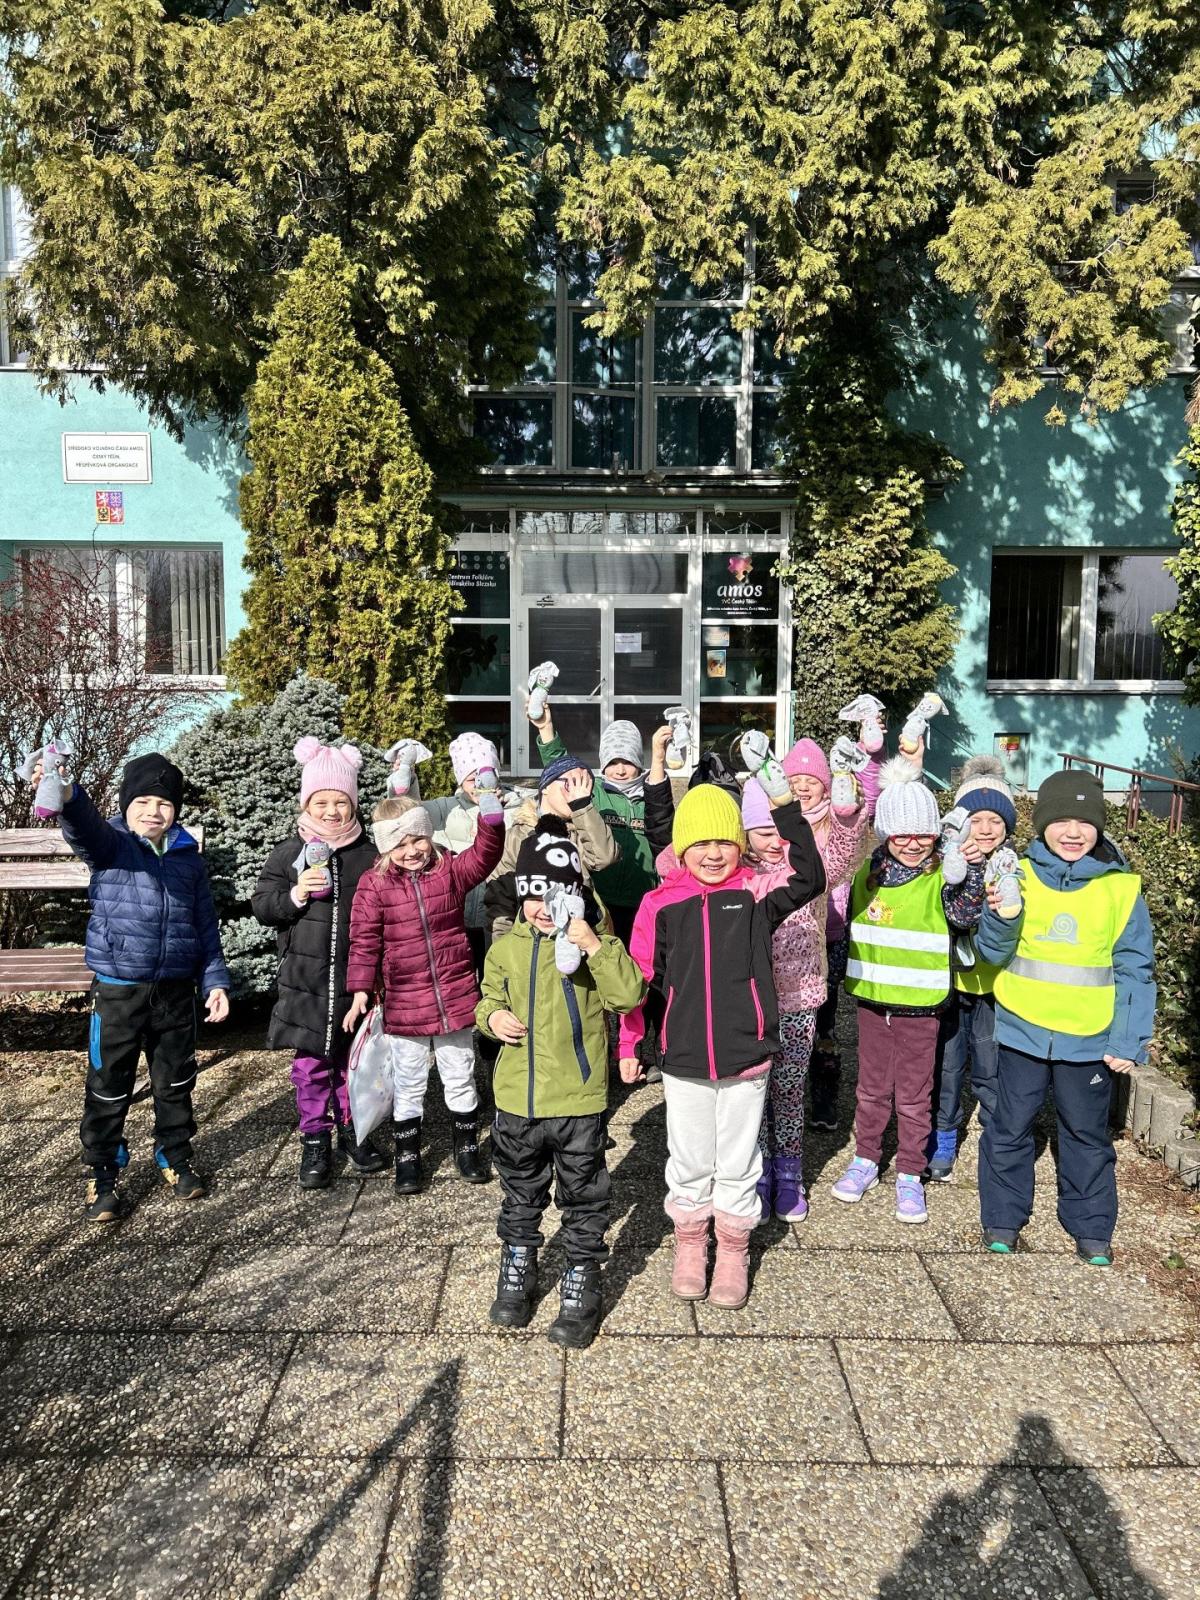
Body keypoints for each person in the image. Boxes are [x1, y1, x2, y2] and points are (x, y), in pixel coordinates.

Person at [620, 778, 826, 1310]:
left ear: (739, 844)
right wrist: (630, 1044)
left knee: (738, 1159)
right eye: (701, 843)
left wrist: (785, 807)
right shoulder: (659, 904)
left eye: (724, 842)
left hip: (745, 1052)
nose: (713, 854)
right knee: (689, 1157)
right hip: (684, 1056)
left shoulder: (755, 894)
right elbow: (640, 980)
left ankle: (733, 1249)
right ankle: (691, 1243)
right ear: (682, 848)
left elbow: (810, 877)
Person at [32, 751, 230, 1221]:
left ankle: (175, 1156)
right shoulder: (112, 845)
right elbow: (83, 828)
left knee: (176, 1080)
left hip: (176, 991)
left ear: (176, 810)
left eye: (164, 804)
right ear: (126, 806)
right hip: (119, 991)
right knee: (108, 1084)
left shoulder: (187, 858)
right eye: (142, 802)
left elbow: (205, 925)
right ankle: (102, 1172)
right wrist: (68, 795)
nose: (153, 812)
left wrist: (215, 981)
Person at [976, 770, 1155, 1266]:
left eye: (1084, 822)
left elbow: (1136, 968)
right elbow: (992, 952)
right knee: (1009, 1127)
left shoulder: (1121, 890)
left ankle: (1091, 1226)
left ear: (1099, 827)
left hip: (1089, 1040)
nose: (1073, 832)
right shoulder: (1017, 875)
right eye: (1061, 820)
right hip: (1021, 1030)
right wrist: (1002, 917)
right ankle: (1003, 1219)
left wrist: (1128, 1038)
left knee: (1086, 1134)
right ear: (1042, 824)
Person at [478, 819, 645, 1348]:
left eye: (557, 896)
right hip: (518, 1100)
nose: (544, 908)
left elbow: (628, 996)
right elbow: (488, 998)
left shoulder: (595, 945)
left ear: (576, 896)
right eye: (534, 897)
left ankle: (581, 1277)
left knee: (584, 1194)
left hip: (577, 1098)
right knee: (520, 1192)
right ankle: (519, 1263)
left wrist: (593, 943)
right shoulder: (506, 949)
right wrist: (492, 1018)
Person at [832, 757, 985, 1224]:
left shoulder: (943, 876)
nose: (913, 843)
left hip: (921, 1006)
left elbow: (964, 917)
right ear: (885, 834)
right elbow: (849, 929)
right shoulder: (867, 874)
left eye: (924, 834)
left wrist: (971, 873)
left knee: (915, 1096)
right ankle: (865, 1158)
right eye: (901, 835)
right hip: (873, 1002)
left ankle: (910, 1173)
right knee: (871, 1090)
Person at [343, 792, 505, 1193]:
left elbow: (483, 856)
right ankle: (408, 1156)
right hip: (405, 1001)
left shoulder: (449, 871)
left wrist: (491, 821)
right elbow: (364, 940)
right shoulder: (374, 884)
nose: (411, 851)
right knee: (409, 1081)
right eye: (400, 844)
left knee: (459, 1073)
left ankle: (467, 1147)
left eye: (418, 839)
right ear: (385, 847)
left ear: (429, 835)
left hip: (454, 994)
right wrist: (360, 988)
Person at [251, 737, 385, 1190]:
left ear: (354, 805)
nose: (331, 811)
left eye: (341, 802)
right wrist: (295, 894)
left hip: (354, 979)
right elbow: (263, 905)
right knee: (311, 1065)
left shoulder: (369, 855)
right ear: (306, 804)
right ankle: (314, 1138)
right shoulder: (288, 853)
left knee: (353, 1063)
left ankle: (352, 1129)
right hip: (304, 981)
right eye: (321, 802)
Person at [742, 756, 868, 1222]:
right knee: (751, 1093)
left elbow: (844, 854)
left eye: (780, 831)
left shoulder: (807, 871)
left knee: (789, 1089)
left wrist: (847, 813)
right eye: (762, 832)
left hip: (799, 998)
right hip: (750, 1003)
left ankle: (789, 1172)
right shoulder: (737, 874)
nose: (773, 841)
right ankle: (757, 1172)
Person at [927, 754, 1017, 1182]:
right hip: (950, 983)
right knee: (947, 1065)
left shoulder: (1014, 868)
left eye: (995, 821)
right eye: (975, 820)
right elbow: (949, 916)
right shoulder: (945, 866)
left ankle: (997, 1136)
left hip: (995, 988)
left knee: (990, 1064)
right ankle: (944, 1133)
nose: (984, 829)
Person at [485, 755, 620, 939]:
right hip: (529, 939)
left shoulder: (582, 832)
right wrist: (503, 946)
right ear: (546, 787)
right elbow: (500, 898)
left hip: (575, 937)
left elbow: (603, 857)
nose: (578, 792)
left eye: (585, 786)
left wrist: (582, 807)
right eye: (571, 783)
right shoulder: (517, 836)